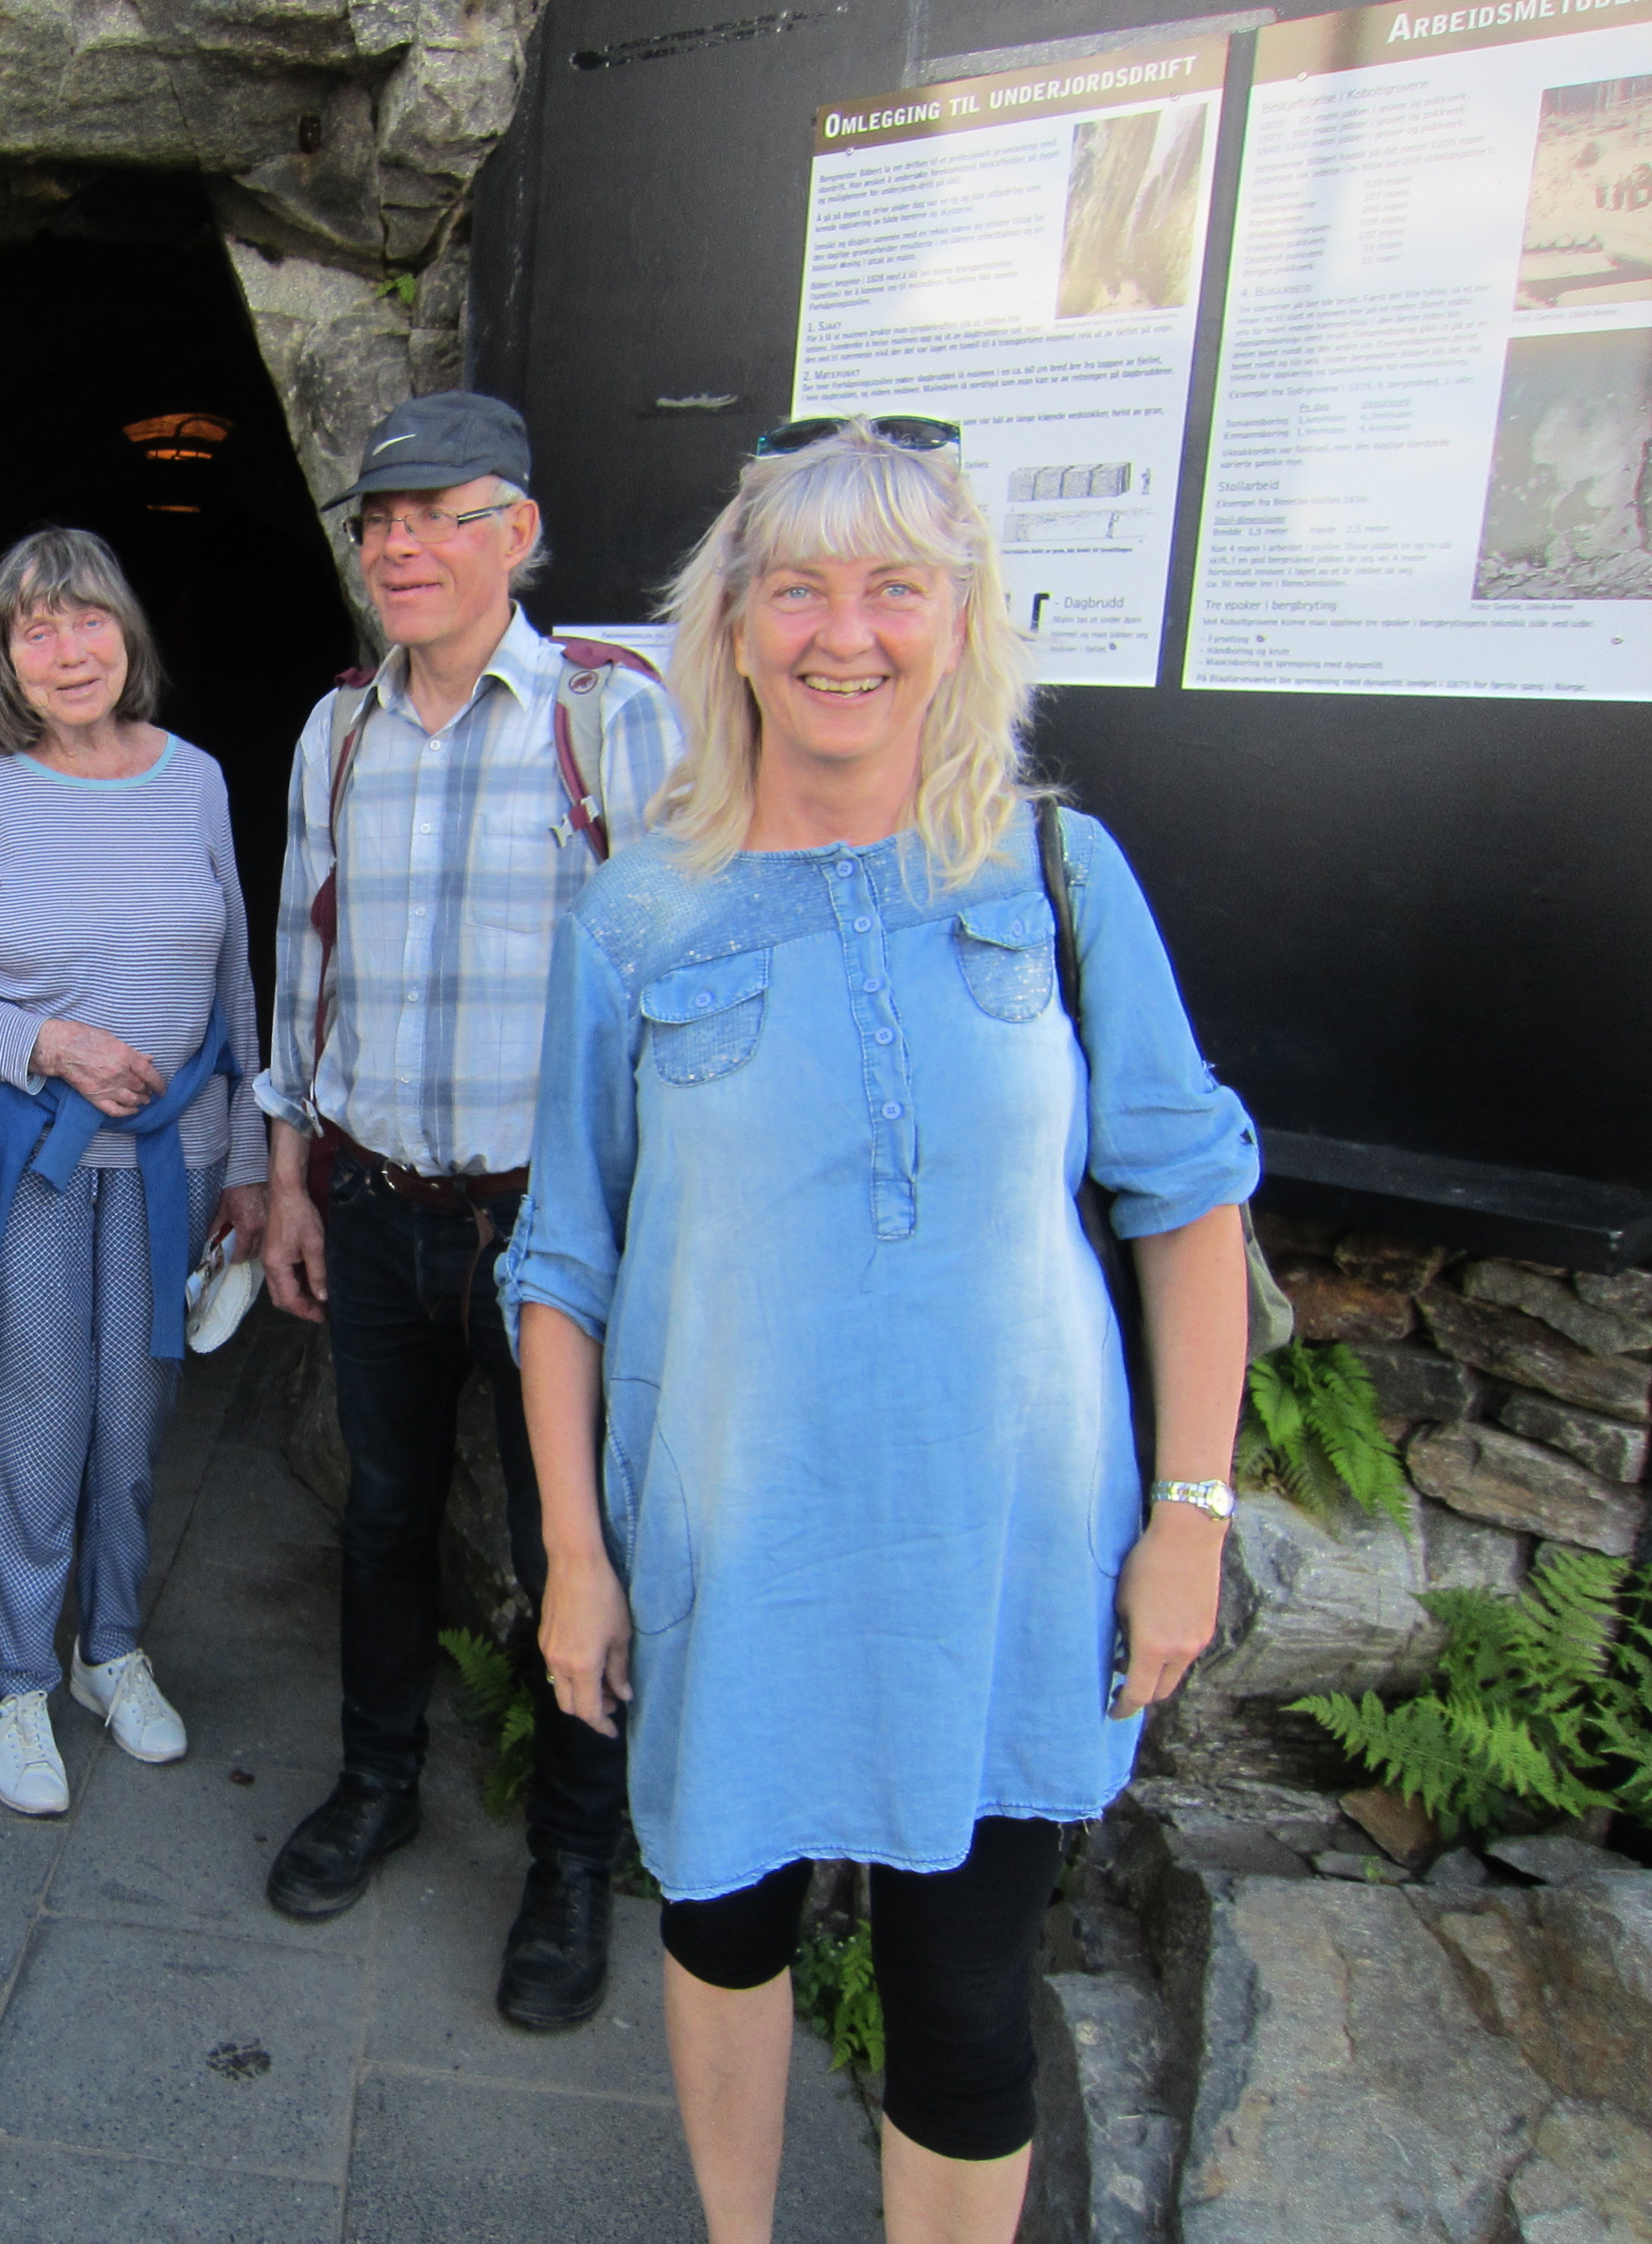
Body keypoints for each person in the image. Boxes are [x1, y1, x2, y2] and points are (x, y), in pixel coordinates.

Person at [501, 419, 1256, 2243]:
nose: (843, 633)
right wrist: (575, 1560)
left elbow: (1185, 1196)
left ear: (960, 621)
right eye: (796, 589)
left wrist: (1188, 1513)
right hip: (731, 1542)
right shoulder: (635, 914)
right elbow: (561, 1261)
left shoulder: (1056, 876)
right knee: (721, 1926)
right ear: (731, 627)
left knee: (966, 2001)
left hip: (992, 1556)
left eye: (892, 588)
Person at [255, 390, 676, 2029]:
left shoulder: (608, 720)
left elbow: (676, 982)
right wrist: (289, 1176)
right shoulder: (338, 732)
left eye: (439, 516)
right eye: (379, 521)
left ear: (519, 532)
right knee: (381, 1514)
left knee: (574, 1535)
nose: (400, 548)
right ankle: (377, 1783)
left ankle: (571, 1863)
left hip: (550, 1232)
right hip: (373, 1200)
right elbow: (305, 964)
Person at [0, 527, 268, 1818]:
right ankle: (16, 1681)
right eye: (34, 628)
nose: (67, 649)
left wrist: (250, 1161)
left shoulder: (196, 778)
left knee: (134, 1427)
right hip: (34, 1164)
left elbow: (236, 980)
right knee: (39, 1425)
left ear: (127, 634)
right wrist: (51, 1042)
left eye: (87, 618)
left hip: (176, 1162)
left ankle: (109, 1652)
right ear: (5, 660)